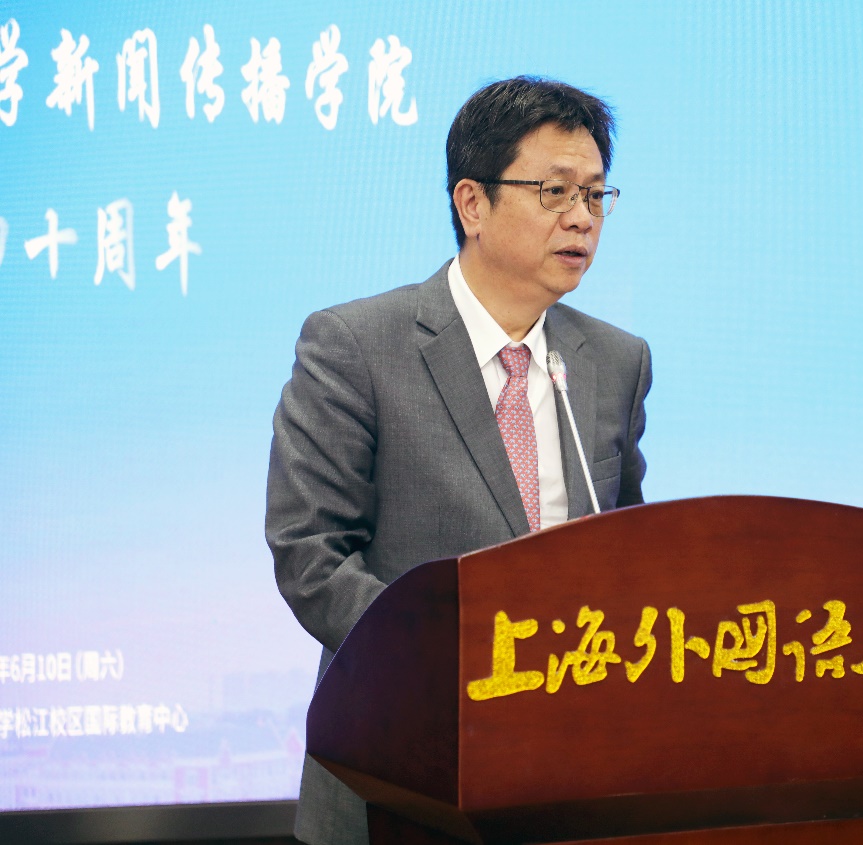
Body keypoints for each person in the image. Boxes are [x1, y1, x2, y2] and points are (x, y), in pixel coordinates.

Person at [265, 76, 652, 845]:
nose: (581, 216)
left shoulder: (613, 360)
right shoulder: (356, 346)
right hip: (398, 773)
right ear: (471, 203)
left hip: (566, 782)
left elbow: (629, 552)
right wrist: (459, 665)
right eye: (554, 191)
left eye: (595, 195)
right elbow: (311, 554)